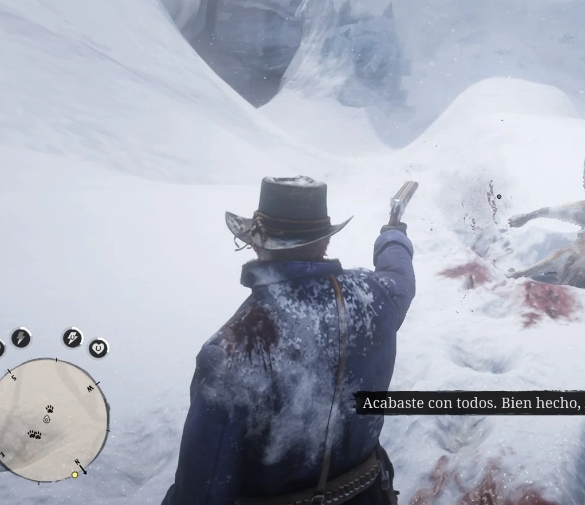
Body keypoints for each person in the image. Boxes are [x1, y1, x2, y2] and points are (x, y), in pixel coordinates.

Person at [161, 176, 415, 505]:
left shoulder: (233, 349)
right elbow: (399, 276)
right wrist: (393, 234)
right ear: (325, 241)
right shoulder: (375, 296)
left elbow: (202, 493)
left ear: (256, 243)